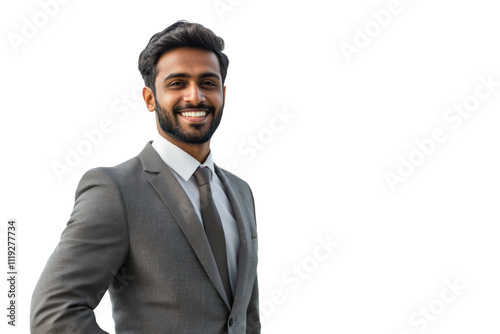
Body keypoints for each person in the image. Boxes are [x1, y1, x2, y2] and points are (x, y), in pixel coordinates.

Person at [30, 20, 260, 334]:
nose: (195, 96)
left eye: (208, 82)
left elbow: (245, 317)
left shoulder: (240, 192)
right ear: (150, 98)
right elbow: (54, 314)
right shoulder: (115, 190)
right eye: (178, 83)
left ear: (222, 92)